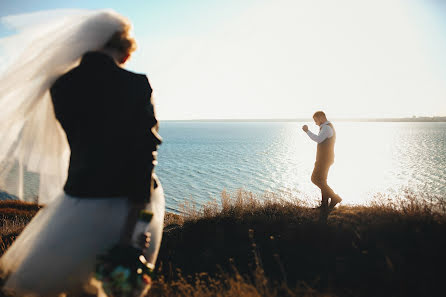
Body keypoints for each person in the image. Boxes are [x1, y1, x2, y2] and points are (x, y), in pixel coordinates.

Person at [0, 9, 164, 297]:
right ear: (124, 50)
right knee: (119, 286)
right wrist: (134, 223)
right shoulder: (136, 84)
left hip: (77, 201)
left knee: (76, 288)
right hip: (125, 200)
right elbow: (144, 153)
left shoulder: (60, 86)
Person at [302, 111, 342, 217]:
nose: (315, 123)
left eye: (315, 120)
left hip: (324, 159)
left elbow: (318, 139)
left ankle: (334, 197)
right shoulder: (326, 127)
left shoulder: (327, 128)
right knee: (322, 181)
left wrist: (307, 131)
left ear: (321, 117)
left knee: (314, 179)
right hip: (325, 158)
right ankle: (324, 205)